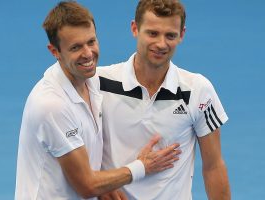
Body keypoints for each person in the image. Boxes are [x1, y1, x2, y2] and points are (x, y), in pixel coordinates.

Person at [15, 1, 182, 199]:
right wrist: (142, 167)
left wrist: (107, 184)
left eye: (91, 42)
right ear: (55, 51)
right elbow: (87, 185)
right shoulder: (52, 105)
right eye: (76, 47)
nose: (88, 54)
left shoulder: (92, 81)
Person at [97, 0, 231, 199]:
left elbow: (213, 166)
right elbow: (73, 152)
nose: (161, 44)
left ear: (182, 35)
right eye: (152, 33)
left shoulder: (198, 90)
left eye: (170, 35)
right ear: (135, 28)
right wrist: (101, 185)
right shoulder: (98, 83)